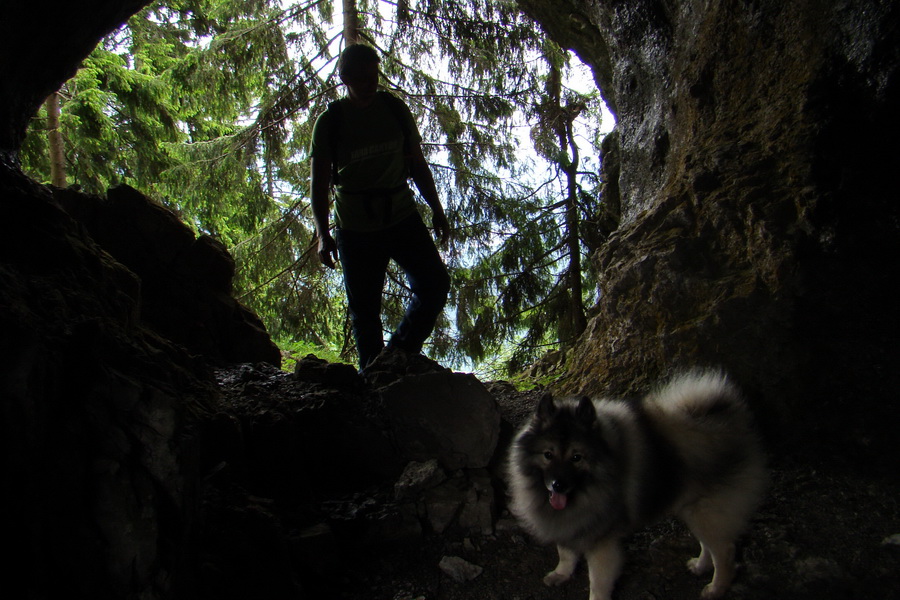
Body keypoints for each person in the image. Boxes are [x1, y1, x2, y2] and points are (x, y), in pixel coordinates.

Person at [309, 43, 451, 372]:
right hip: (355, 227)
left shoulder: (394, 110)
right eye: (360, 78)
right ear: (344, 78)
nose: (368, 83)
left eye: (372, 75)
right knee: (365, 314)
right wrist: (322, 233)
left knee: (434, 284)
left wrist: (437, 209)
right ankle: (372, 383)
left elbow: (417, 165)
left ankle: (395, 357)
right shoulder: (330, 121)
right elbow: (318, 183)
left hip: (401, 215)